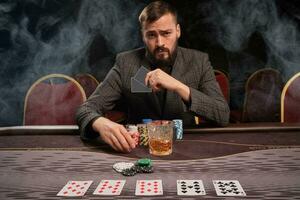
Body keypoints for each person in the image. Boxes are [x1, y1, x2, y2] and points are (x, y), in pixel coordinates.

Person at [76, 1, 230, 153]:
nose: (160, 43)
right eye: (151, 35)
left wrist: (179, 87)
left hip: (186, 150)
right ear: (142, 36)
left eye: (166, 33)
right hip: (137, 151)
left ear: (178, 31)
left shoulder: (198, 62)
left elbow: (222, 114)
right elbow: (85, 109)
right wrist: (100, 123)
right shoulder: (126, 63)